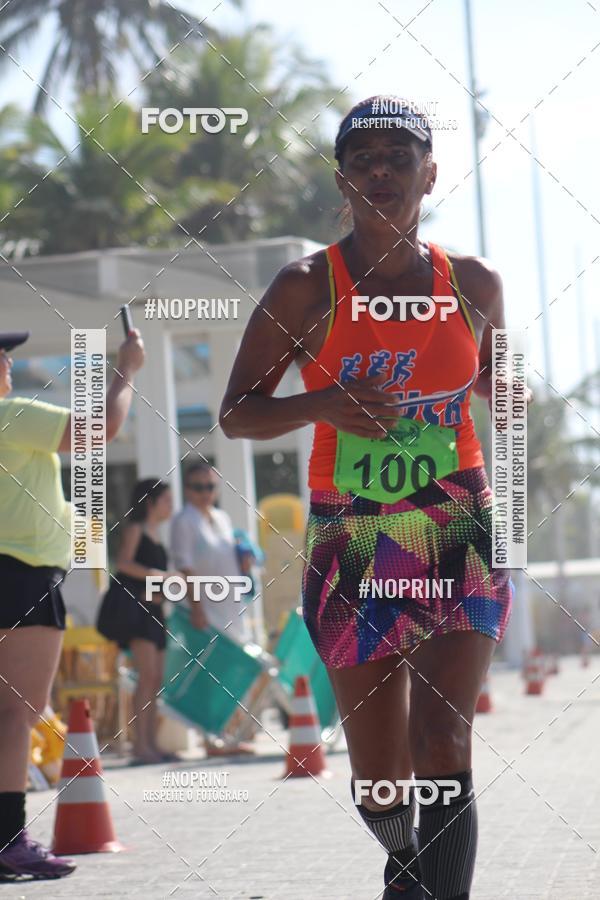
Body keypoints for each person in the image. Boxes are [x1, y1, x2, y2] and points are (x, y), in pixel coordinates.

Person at [219, 96, 523, 899]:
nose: (381, 170)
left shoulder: (477, 281)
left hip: (456, 520)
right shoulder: (305, 288)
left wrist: (503, 393)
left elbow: (488, 379)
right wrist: (322, 404)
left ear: (432, 170)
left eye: (399, 155)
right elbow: (237, 412)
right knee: (382, 778)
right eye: (363, 159)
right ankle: (406, 869)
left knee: (445, 736)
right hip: (353, 534)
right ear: (343, 180)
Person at [0, 328, 144, 879]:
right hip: (21, 574)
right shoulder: (12, 412)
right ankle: (8, 838)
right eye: (2, 355)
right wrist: (126, 371)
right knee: (17, 713)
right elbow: (100, 430)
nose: (9, 363)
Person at [170, 461, 256, 756]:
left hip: (231, 606)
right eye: (198, 487)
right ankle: (211, 740)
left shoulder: (221, 517)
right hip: (205, 609)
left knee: (230, 672)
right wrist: (196, 608)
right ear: (187, 490)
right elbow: (185, 567)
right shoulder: (184, 521)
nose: (205, 493)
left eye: (210, 487)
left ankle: (227, 735)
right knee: (208, 674)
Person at [113, 478, 179, 764]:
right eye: (166, 500)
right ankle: (140, 745)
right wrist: (158, 575)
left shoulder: (157, 533)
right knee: (146, 676)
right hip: (138, 613)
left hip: (156, 612)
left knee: (156, 679)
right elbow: (124, 564)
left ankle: (151, 742)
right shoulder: (135, 529)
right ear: (150, 502)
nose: (170, 506)